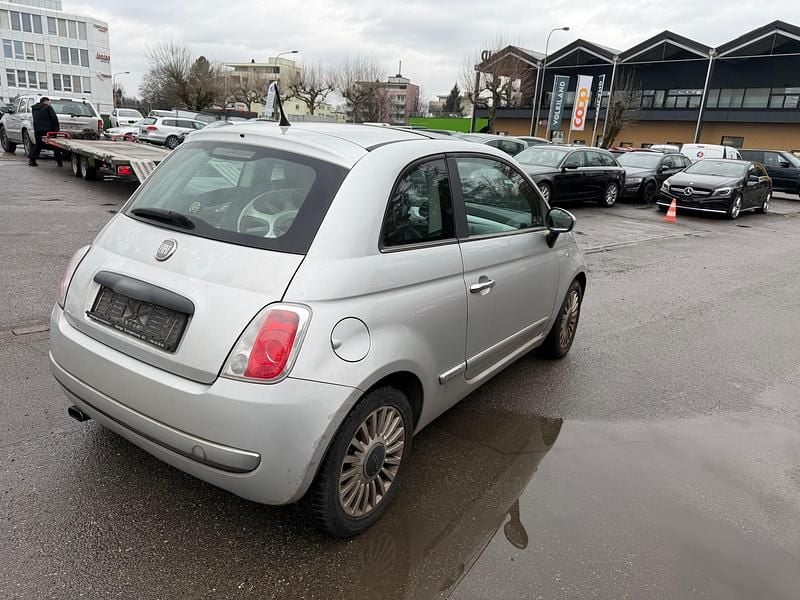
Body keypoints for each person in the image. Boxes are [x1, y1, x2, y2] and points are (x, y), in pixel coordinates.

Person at [29, 97, 62, 167]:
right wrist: (56, 127)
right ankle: (59, 161)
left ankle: (32, 159)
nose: (49, 103)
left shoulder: (34, 109)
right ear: (45, 101)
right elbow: (53, 117)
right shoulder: (48, 107)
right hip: (49, 130)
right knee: (55, 145)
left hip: (37, 129)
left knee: (38, 144)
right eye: (49, 101)